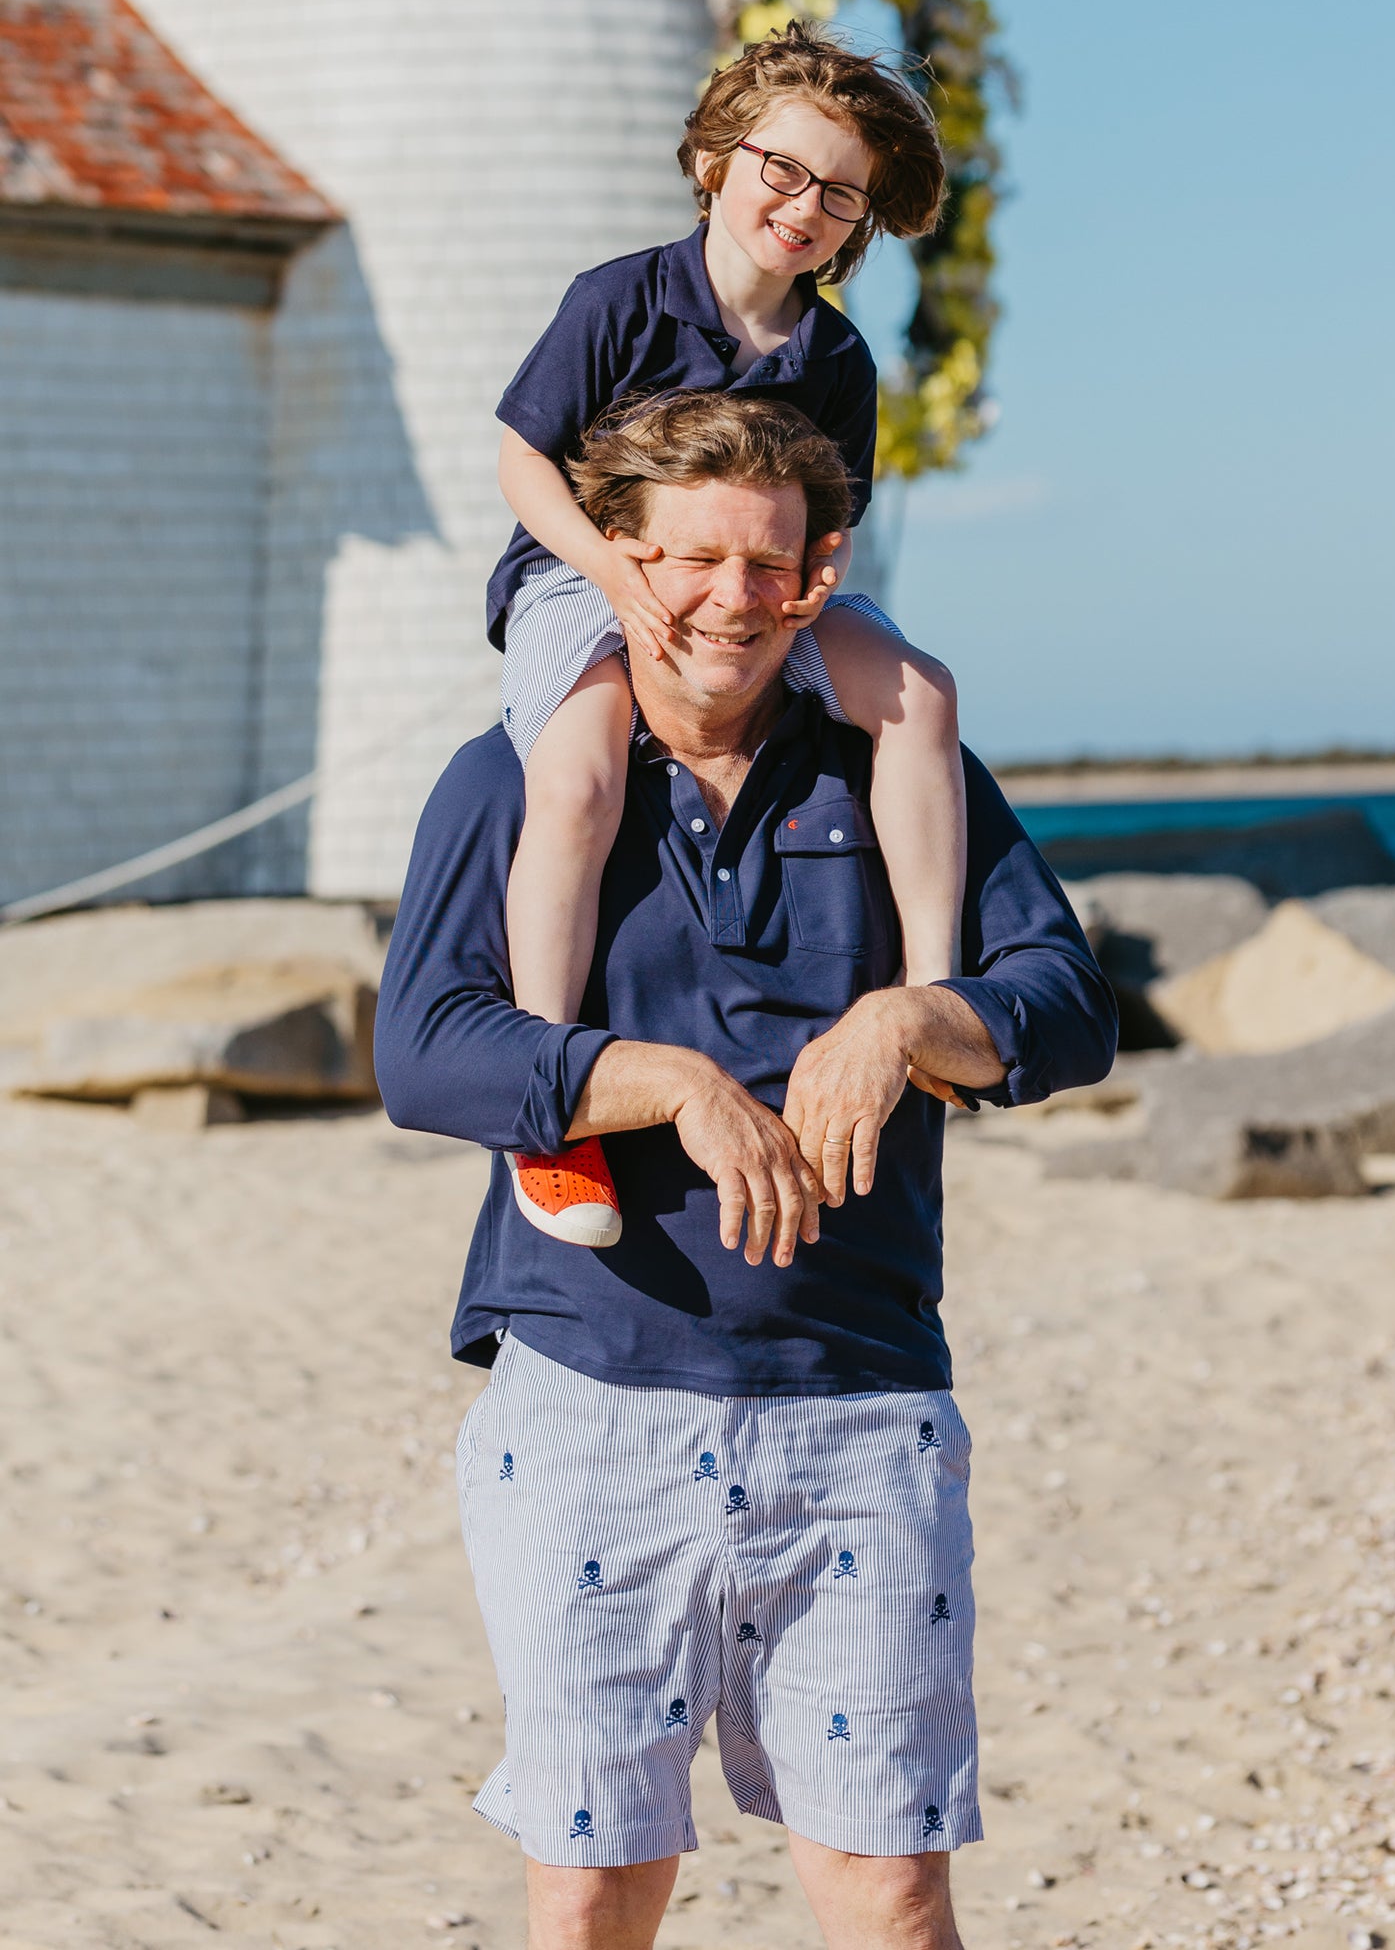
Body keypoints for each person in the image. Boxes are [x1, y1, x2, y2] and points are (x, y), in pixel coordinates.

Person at [375, 390, 1117, 1950]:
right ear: (620, 563)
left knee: (887, 1888)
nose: (732, 601)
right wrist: (655, 1084)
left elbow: (1063, 1006)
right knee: (592, 1886)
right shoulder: (514, 777)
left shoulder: (898, 768)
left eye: (770, 567)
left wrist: (917, 1012)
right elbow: (428, 1049)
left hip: (862, 1403)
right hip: (590, 1399)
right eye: (692, 560)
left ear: (819, 577)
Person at [489, 21, 968, 1246]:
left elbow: (835, 525)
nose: (803, 207)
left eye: (840, 197)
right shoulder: (620, 299)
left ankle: (926, 985)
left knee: (919, 692)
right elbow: (521, 461)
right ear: (718, 157)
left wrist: (807, 595)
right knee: (585, 766)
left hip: (763, 591)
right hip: (583, 572)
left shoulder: (838, 356)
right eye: (782, 170)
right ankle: (550, 1113)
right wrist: (617, 573)